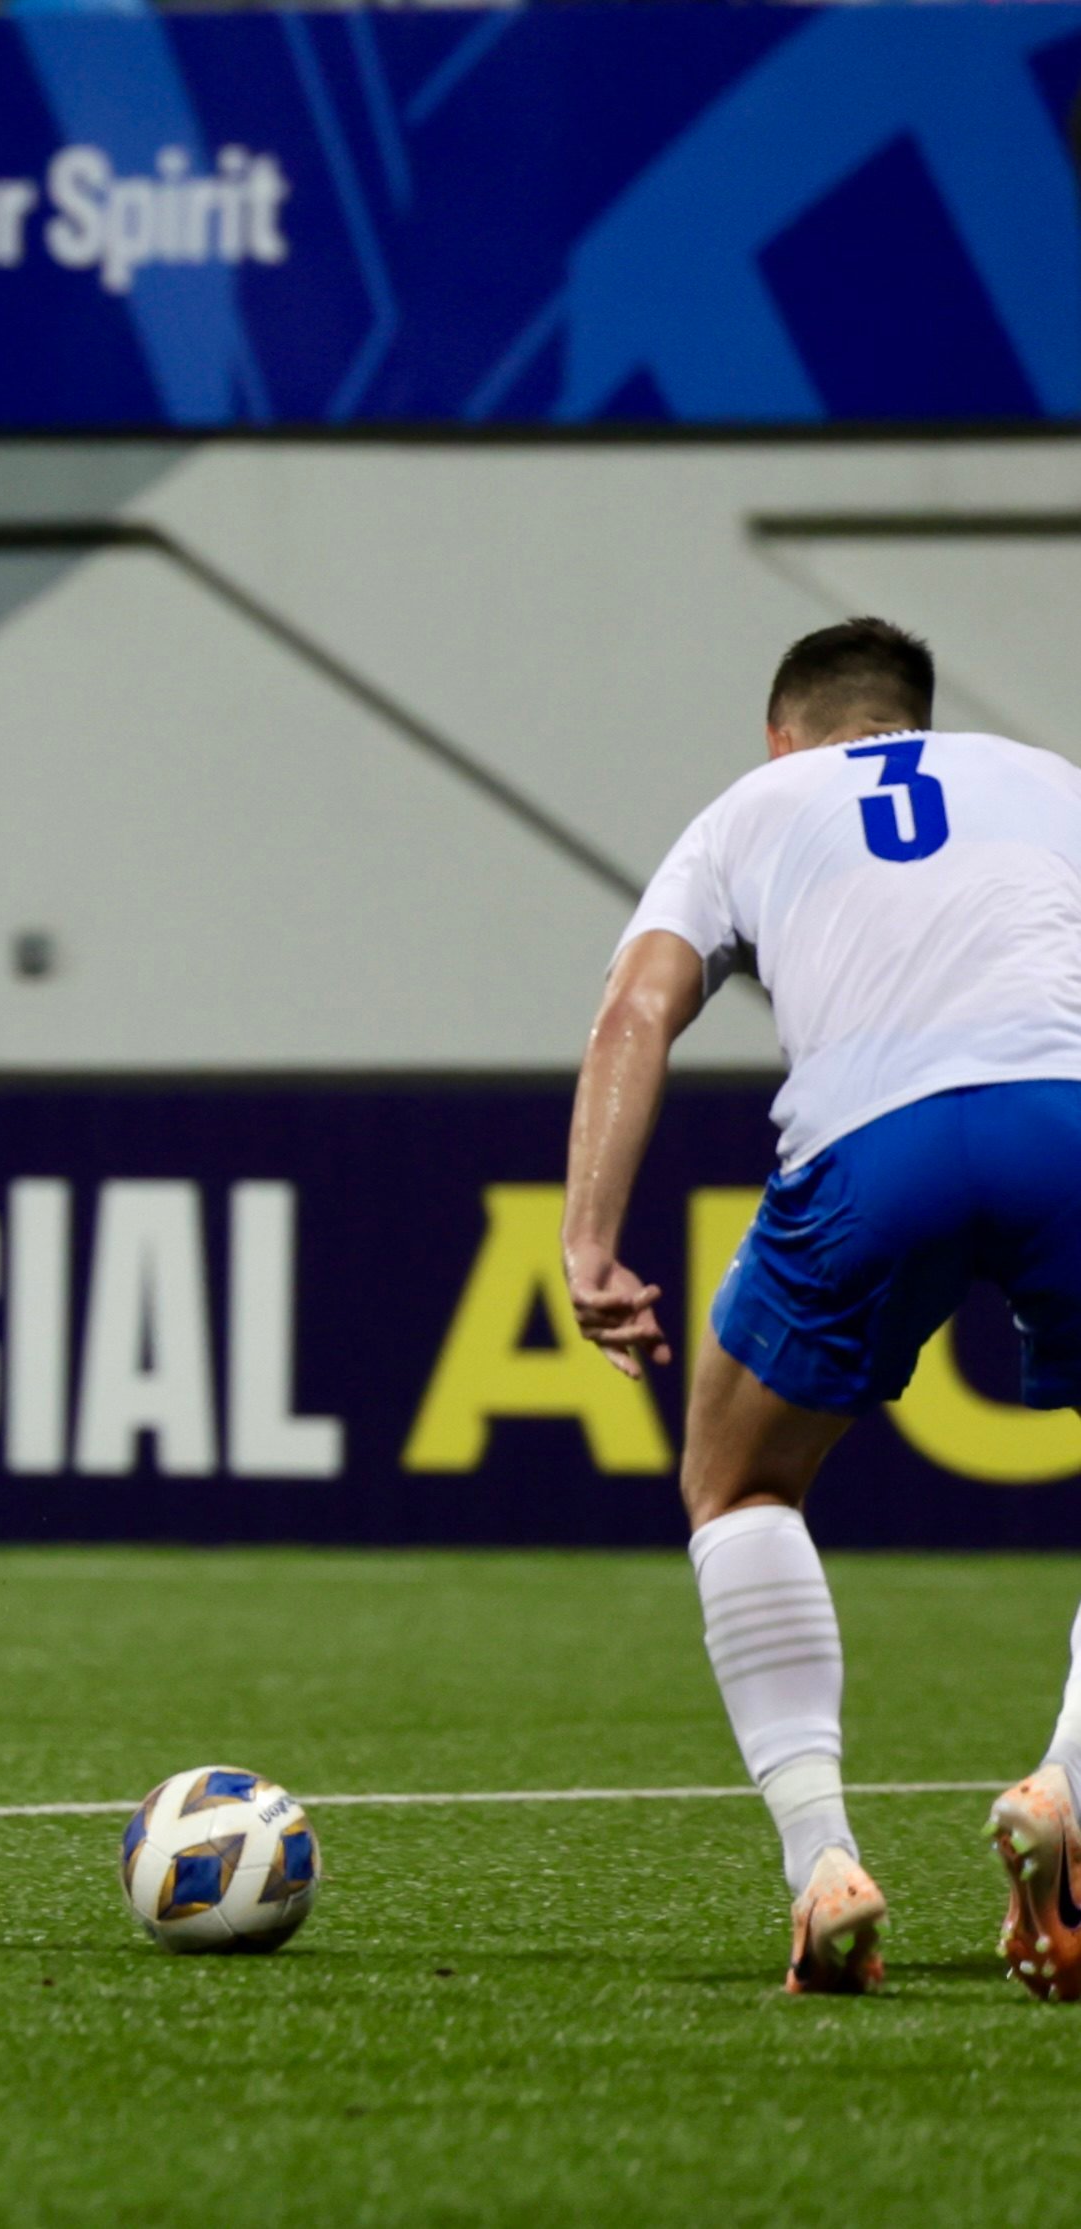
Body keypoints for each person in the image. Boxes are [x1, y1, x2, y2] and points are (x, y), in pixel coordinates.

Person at [564, 615, 1081, 1998]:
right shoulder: (1043, 778)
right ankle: (1064, 1788)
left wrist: (588, 1243)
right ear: (917, 718)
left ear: (780, 734)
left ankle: (821, 1867)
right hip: (1064, 1120)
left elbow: (632, 1012)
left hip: (873, 1147)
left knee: (736, 1483)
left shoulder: (751, 805)